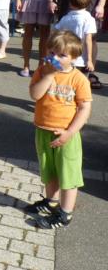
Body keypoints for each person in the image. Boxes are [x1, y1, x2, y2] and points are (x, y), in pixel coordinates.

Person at [27, 31, 91, 229]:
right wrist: (49, 75)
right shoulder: (43, 71)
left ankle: (65, 214)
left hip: (66, 135)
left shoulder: (78, 79)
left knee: (68, 175)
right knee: (49, 171)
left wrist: (70, 133)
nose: (55, 57)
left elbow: (84, 108)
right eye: (52, 52)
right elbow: (35, 95)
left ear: (74, 58)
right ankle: (51, 202)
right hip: (43, 130)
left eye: (62, 55)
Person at [54, 0, 97, 77]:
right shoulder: (89, 19)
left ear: (70, 3)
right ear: (89, 3)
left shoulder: (65, 18)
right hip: (81, 60)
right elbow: (88, 40)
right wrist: (89, 60)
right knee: (80, 82)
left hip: (65, 58)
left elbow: (55, 34)